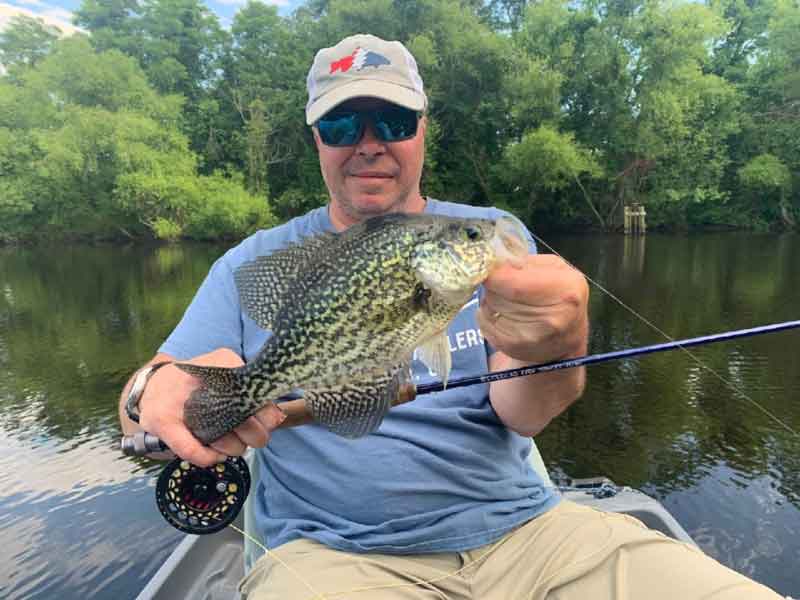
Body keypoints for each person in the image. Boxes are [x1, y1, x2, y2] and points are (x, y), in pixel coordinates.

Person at [120, 34, 782, 600]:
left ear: (423, 128)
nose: (369, 145)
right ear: (316, 138)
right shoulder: (251, 262)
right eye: (343, 127)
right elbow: (141, 408)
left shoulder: (492, 232)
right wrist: (154, 390)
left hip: (530, 534)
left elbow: (524, 413)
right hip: (335, 556)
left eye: (393, 122)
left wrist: (558, 344)